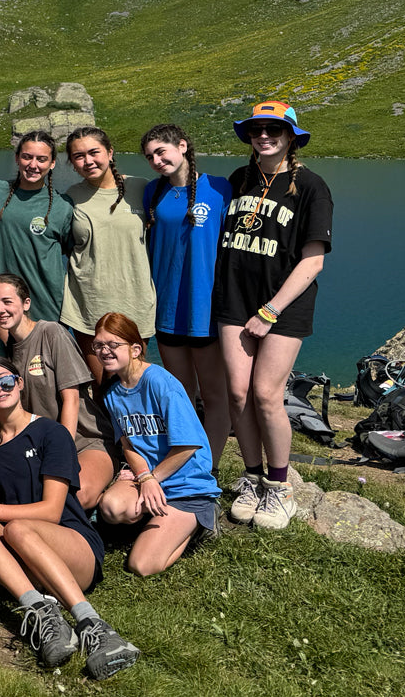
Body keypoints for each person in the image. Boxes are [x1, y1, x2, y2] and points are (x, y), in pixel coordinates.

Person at [0, 357, 138, 680]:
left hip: (69, 544)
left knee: (17, 528)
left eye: (6, 380)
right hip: (20, 549)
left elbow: (52, 510)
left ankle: (95, 626)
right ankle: (42, 613)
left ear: (20, 383)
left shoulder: (51, 433)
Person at [213, 101, 333, 530]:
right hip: (233, 301)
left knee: (266, 393)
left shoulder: (312, 188)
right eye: (256, 129)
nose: (264, 136)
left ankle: (280, 487)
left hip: (283, 305)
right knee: (238, 393)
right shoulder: (238, 180)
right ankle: (251, 477)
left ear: (291, 137)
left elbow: (313, 261)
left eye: (274, 130)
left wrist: (270, 310)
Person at [94, 313, 221, 576]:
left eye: (113, 345)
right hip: (150, 479)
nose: (105, 351)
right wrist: (144, 476)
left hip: (186, 486)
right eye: (99, 345)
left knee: (141, 565)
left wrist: (152, 478)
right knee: (112, 508)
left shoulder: (160, 383)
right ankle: (157, 521)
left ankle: (199, 524)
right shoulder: (113, 393)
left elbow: (187, 446)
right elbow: (129, 444)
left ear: (135, 348)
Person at [141, 123, 234, 467]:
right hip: (166, 310)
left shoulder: (220, 189)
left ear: (182, 146)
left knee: (214, 397)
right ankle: (182, 463)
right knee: (179, 397)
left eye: (161, 151)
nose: (156, 160)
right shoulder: (153, 192)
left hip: (204, 310)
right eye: (150, 156)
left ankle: (207, 467)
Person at [0, 274, 114, 510]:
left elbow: (72, 400)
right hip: (39, 448)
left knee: (76, 496)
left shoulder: (51, 333)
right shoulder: (7, 352)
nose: (0, 309)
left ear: (26, 304)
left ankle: (103, 497)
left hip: (84, 441)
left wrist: (61, 456)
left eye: (7, 301)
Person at [60, 127, 156, 384]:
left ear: (110, 152)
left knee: (133, 383)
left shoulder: (141, 188)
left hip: (135, 302)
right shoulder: (70, 198)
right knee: (103, 385)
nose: (88, 161)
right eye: (79, 156)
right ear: (72, 163)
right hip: (87, 306)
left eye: (94, 152)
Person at [0, 132, 72, 325]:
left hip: (45, 307)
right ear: (17, 158)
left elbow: (70, 251)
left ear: (52, 163)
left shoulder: (62, 205)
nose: (33, 165)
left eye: (42, 159)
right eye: (27, 157)